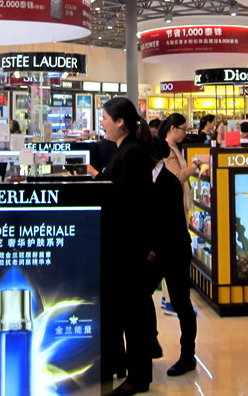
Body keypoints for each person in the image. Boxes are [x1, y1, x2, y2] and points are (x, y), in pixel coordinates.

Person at [95, 97, 156, 394]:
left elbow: (128, 201)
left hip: (130, 248)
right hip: (126, 246)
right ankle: (128, 368)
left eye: (105, 117)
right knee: (129, 311)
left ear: (120, 122)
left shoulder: (132, 154)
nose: (102, 122)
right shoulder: (125, 150)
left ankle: (139, 376)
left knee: (134, 314)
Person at [147, 137, 196, 378]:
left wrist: (154, 248)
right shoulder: (153, 178)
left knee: (181, 303)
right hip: (160, 250)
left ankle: (188, 356)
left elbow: (168, 223)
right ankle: (151, 342)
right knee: (141, 294)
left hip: (173, 251)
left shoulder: (167, 181)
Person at [158, 114, 196, 213]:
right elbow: (178, 176)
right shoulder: (169, 150)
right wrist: (195, 166)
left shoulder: (174, 147)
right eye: (183, 129)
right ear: (173, 128)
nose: (185, 133)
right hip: (175, 201)